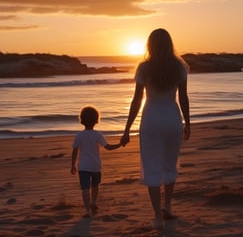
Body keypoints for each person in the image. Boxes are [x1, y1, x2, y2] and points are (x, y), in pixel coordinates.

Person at [120, 28, 191, 230]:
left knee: (151, 165)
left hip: (151, 119)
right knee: (169, 164)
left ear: (150, 45)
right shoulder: (179, 67)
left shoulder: (144, 68)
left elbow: (136, 100)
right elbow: (183, 98)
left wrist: (127, 129)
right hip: (172, 118)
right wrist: (188, 122)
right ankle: (167, 207)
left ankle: (157, 217)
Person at [71, 105, 121, 217]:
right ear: (96, 120)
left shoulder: (79, 135)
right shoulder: (98, 135)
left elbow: (75, 151)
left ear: (81, 120)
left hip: (83, 166)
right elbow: (108, 147)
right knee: (95, 186)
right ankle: (93, 202)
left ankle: (87, 209)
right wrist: (120, 144)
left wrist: (73, 165)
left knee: (85, 188)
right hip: (95, 166)